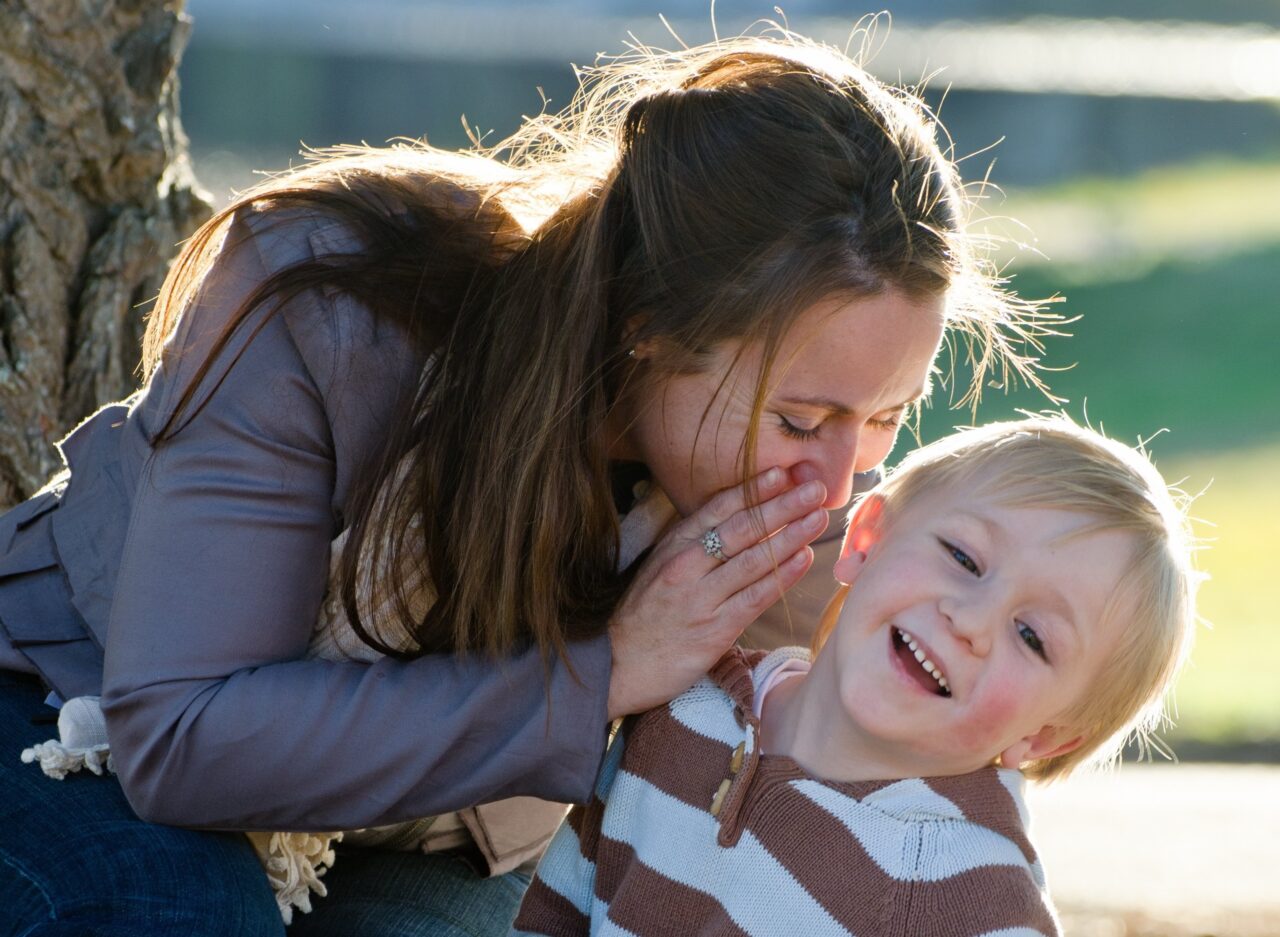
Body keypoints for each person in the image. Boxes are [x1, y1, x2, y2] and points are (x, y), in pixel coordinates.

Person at [0, 30, 1054, 937]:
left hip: (433, 822)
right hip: (68, 713)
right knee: (179, 908)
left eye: (883, 419)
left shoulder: (792, 503)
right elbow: (179, 737)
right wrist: (605, 672)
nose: (834, 483)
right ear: (646, 327)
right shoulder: (329, 302)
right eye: (799, 419)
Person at [513, 416, 1199, 937]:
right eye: (963, 556)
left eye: (1032, 635)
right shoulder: (688, 704)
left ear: (1044, 737)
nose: (971, 620)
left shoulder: (975, 897)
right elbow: (562, 906)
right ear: (866, 540)